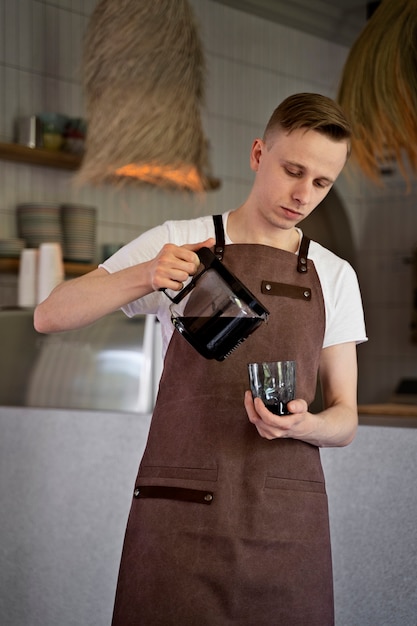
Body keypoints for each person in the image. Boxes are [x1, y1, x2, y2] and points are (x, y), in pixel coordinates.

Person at [34, 92, 367, 625]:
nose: (303, 194)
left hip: (285, 519)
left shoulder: (335, 275)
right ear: (259, 154)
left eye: (322, 182)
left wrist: (308, 425)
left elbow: (346, 419)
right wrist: (144, 275)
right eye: (292, 170)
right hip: (181, 512)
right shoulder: (180, 243)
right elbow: (49, 315)